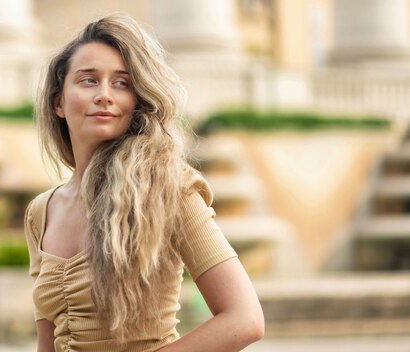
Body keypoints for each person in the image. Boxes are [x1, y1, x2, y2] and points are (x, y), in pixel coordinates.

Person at [25, 13, 264, 352]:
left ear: (136, 101)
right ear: (59, 102)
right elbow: (46, 343)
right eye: (89, 80)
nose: (105, 94)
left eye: (121, 83)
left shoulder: (170, 189)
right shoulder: (40, 212)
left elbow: (245, 319)